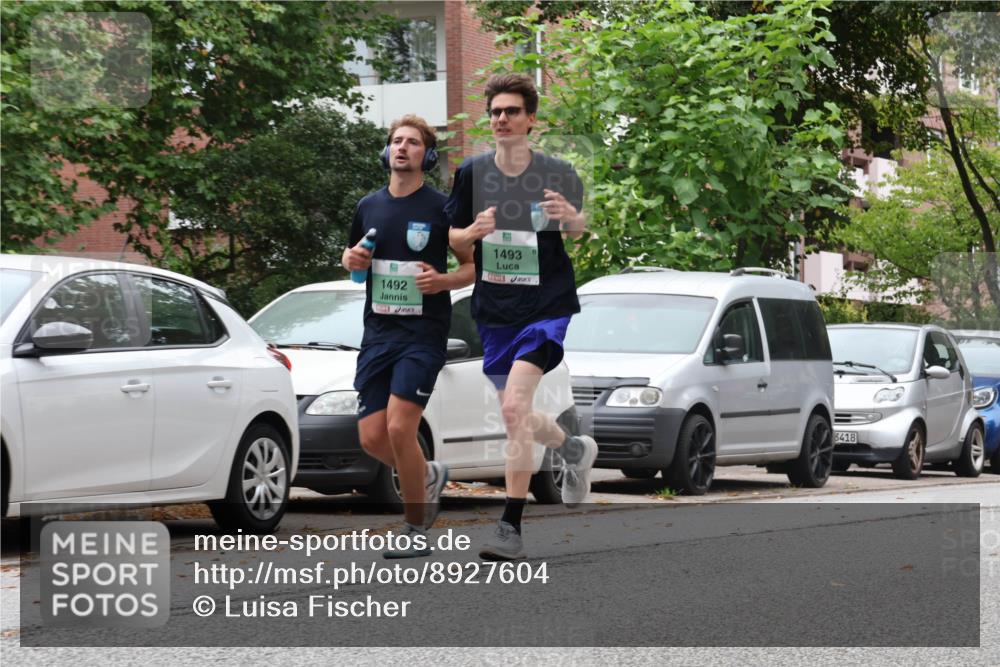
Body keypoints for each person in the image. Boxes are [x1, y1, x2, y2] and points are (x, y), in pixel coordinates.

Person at [446, 73, 598, 560]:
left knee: (512, 409)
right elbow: (452, 237)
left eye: (512, 111)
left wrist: (570, 216)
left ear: (530, 119)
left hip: (545, 306)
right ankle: (572, 448)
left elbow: (579, 230)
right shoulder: (472, 173)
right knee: (518, 412)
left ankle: (509, 526)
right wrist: (472, 231)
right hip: (495, 310)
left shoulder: (557, 171)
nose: (502, 119)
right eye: (495, 112)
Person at [342, 115, 474, 559]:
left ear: (427, 155)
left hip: (423, 334)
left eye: (412, 142)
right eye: (396, 141)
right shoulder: (368, 206)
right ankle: (427, 475)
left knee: (401, 427)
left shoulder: (442, 208)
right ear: (387, 151)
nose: (402, 147)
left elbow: (472, 268)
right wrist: (351, 259)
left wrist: (443, 281)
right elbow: (351, 259)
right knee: (371, 438)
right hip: (378, 333)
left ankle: (415, 528)